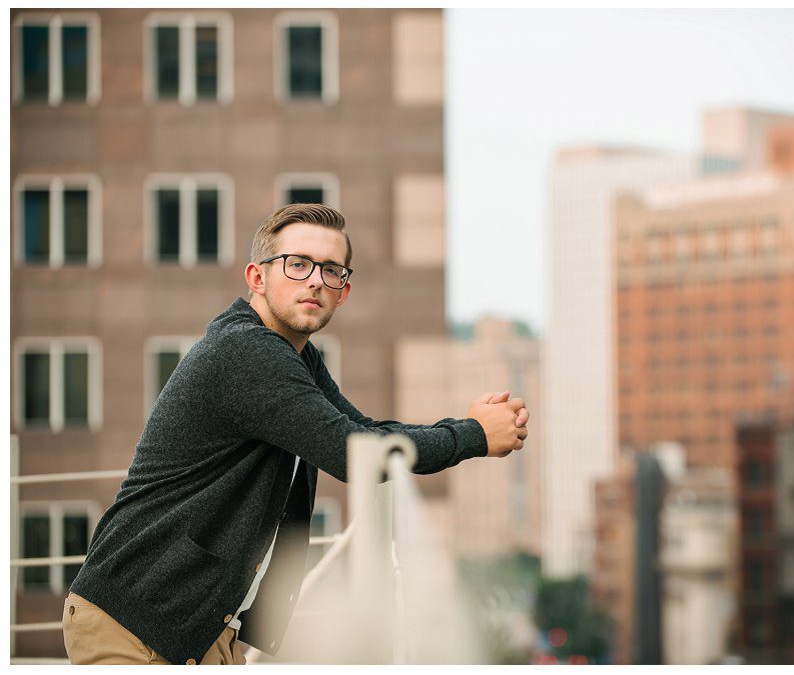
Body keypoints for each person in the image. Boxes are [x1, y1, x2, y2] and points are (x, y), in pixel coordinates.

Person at [62, 204, 526, 666]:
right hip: (132, 619)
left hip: (190, 626)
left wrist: (467, 430)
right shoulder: (246, 351)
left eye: (331, 270)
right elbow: (351, 455)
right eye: (298, 264)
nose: (316, 281)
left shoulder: (295, 355)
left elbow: (360, 432)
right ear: (257, 278)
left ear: (343, 292)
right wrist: (473, 436)